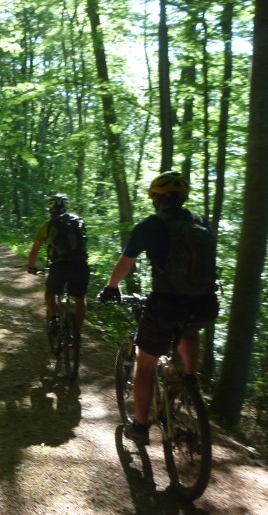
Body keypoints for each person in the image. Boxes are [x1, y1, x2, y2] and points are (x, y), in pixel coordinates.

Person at [99, 171, 219, 445]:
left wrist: (111, 287)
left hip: (166, 304)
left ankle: (140, 427)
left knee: (145, 366)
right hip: (204, 303)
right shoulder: (202, 224)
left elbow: (126, 262)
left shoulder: (151, 225)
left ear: (156, 199)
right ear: (183, 198)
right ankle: (189, 379)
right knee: (189, 328)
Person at [27, 193, 90, 337]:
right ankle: (77, 332)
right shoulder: (78, 221)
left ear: (51, 209)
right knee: (80, 298)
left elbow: (35, 249)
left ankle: (54, 318)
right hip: (80, 264)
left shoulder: (48, 225)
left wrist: (31, 266)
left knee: (50, 292)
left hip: (60, 266)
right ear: (65, 207)